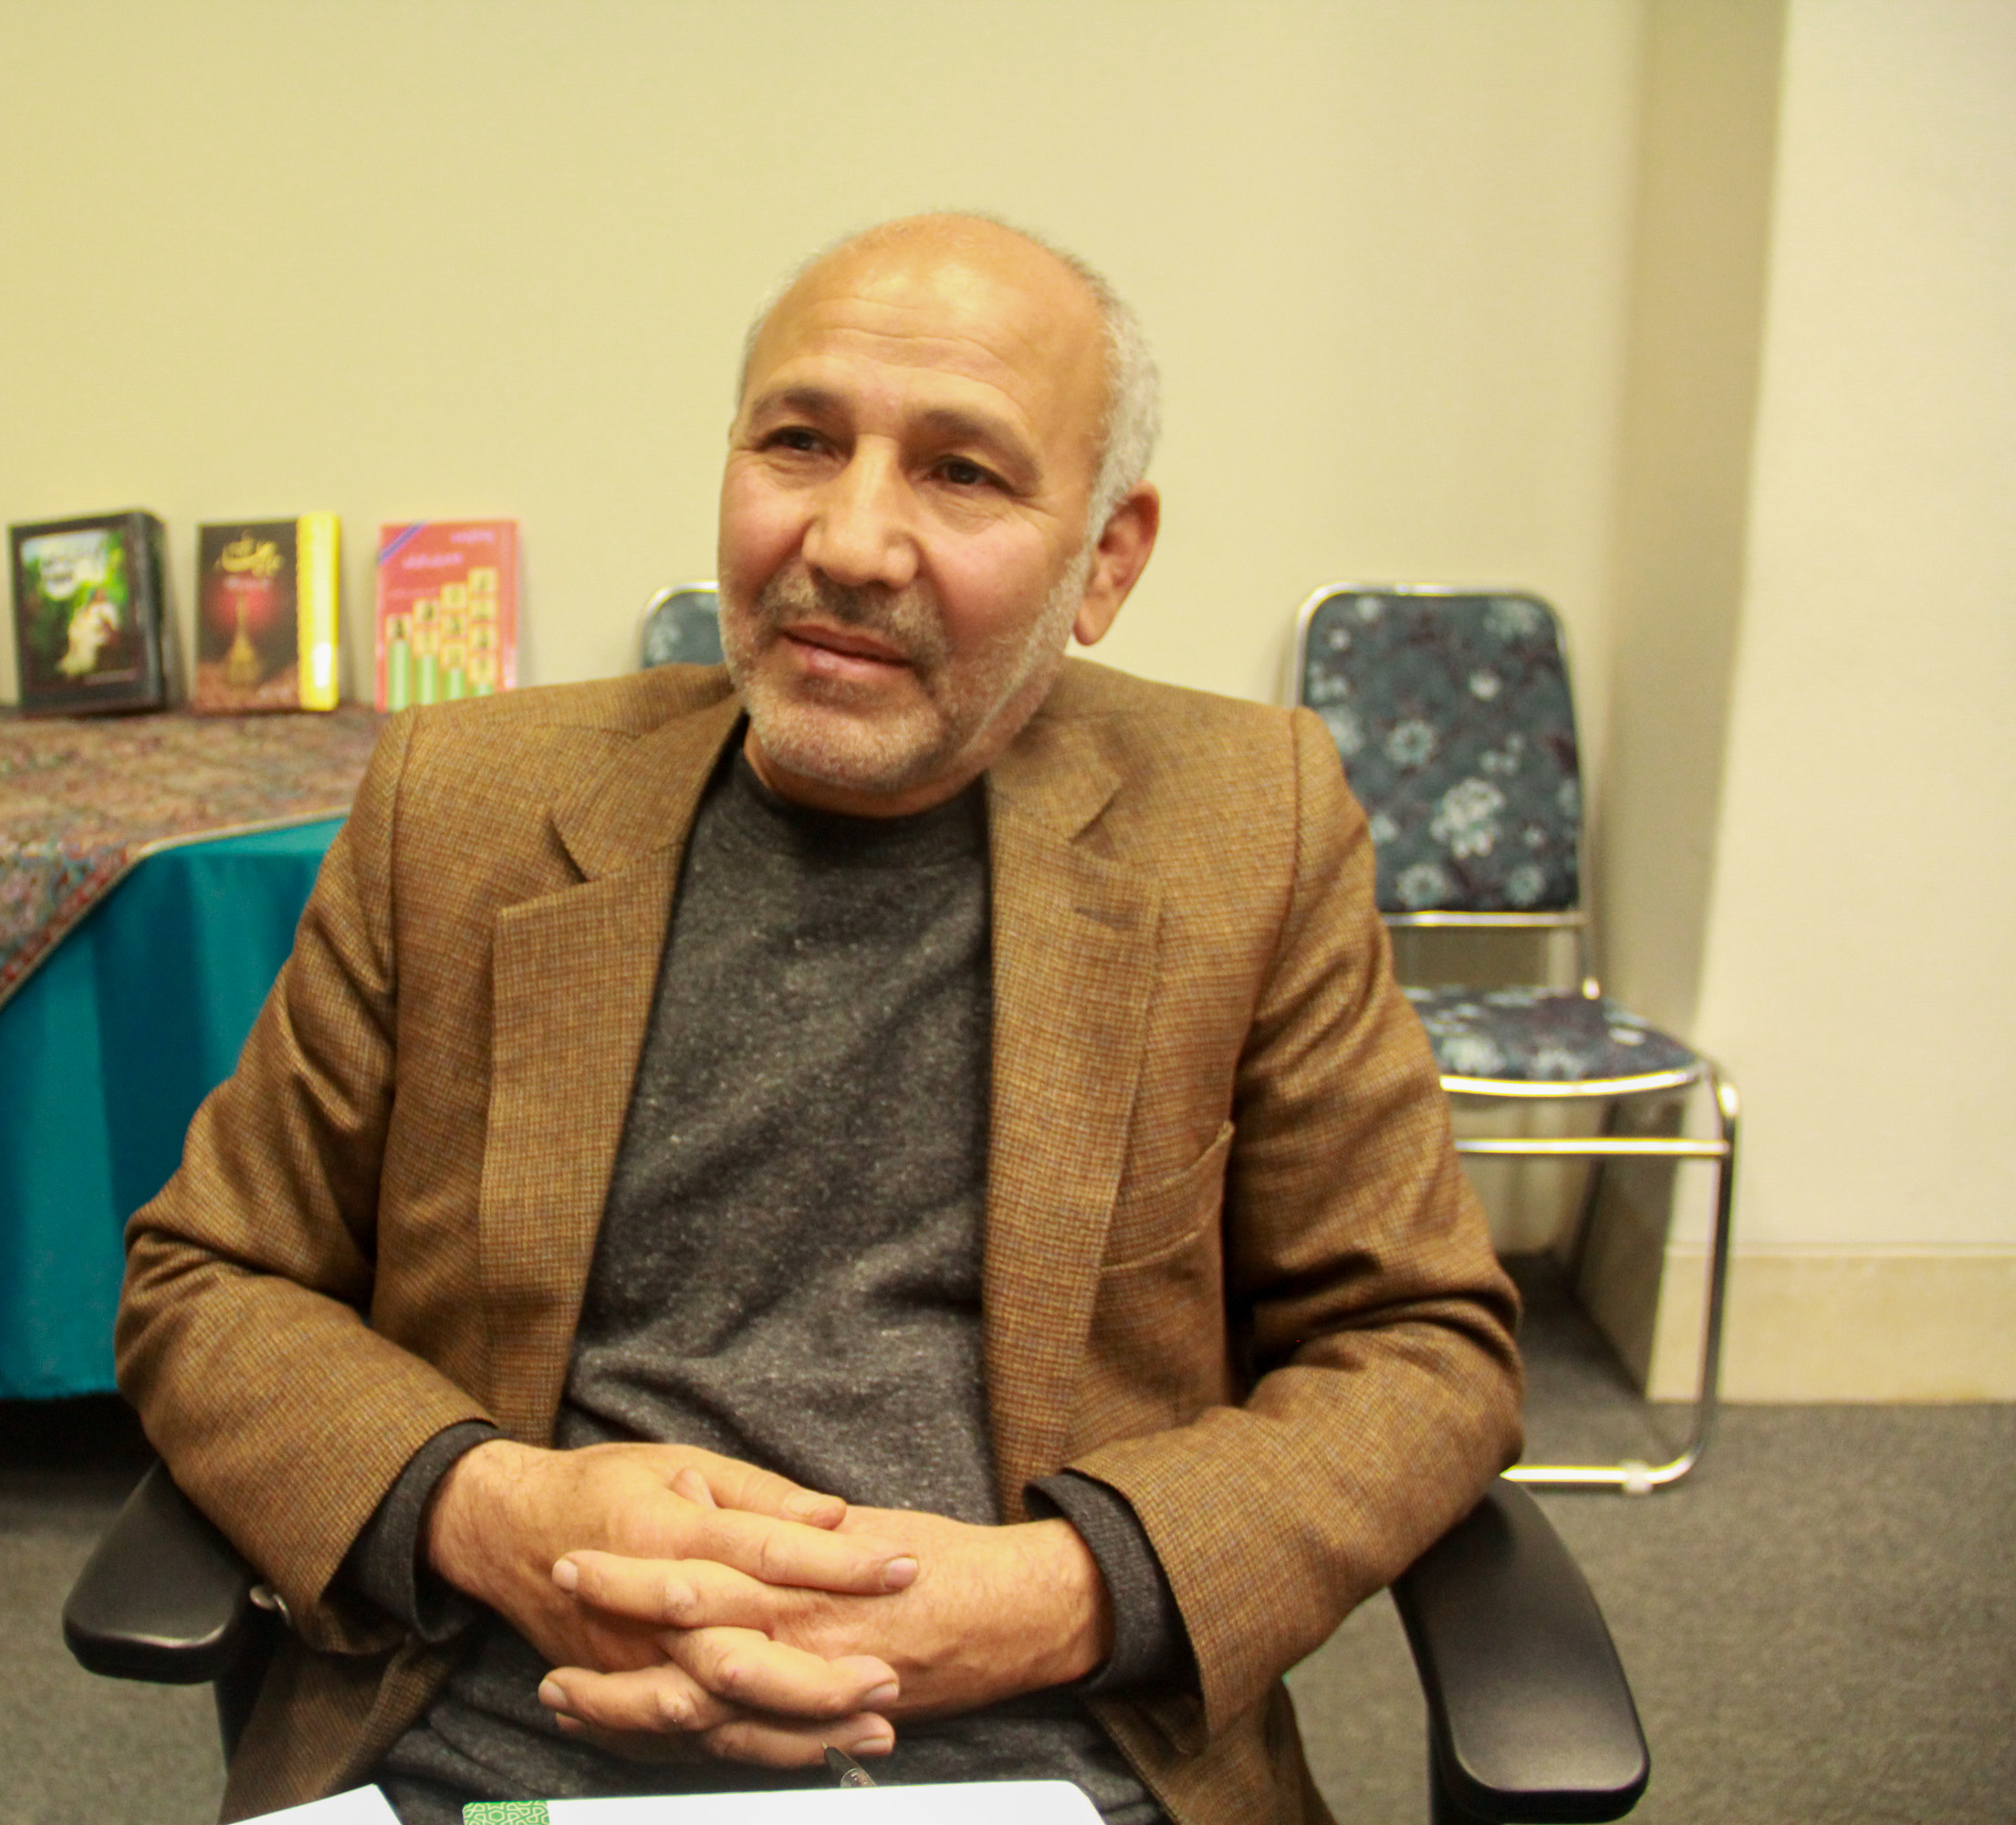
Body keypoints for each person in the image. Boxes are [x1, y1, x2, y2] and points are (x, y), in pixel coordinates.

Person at [118, 214, 1521, 1825]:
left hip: (1056, 1758)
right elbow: (207, 1278)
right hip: (491, 1733)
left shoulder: (1247, 826)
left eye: (962, 473)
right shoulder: (468, 805)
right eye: (799, 443)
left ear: (1107, 560)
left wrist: (1063, 1596)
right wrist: (488, 1513)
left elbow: (1425, 1348)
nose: (850, 543)